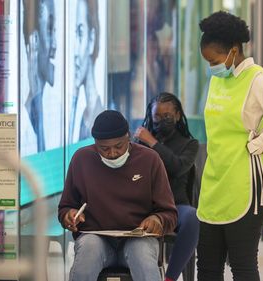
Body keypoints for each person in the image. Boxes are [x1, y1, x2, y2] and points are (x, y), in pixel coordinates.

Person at [197, 11, 263, 281]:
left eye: (215, 60)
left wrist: (259, 144)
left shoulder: (257, 79)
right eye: (207, 61)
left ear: (233, 51)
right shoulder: (217, 79)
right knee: (206, 267)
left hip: (245, 186)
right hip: (214, 182)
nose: (211, 66)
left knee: (242, 267)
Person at [58, 110, 178, 281]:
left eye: (119, 146)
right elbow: (65, 207)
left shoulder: (150, 160)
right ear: (95, 143)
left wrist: (158, 220)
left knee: (142, 254)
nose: (112, 153)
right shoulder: (81, 159)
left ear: (128, 137)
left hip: (138, 238)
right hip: (96, 238)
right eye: (104, 149)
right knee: (88, 251)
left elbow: (170, 214)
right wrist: (68, 216)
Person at [134, 92, 200, 281]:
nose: (161, 121)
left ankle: (169, 278)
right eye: (157, 117)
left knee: (193, 218)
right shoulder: (140, 143)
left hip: (175, 205)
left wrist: (153, 143)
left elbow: (177, 167)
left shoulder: (190, 144)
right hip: (144, 206)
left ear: (178, 115)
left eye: (167, 117)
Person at [22, 0, 57, 152]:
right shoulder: (22, 120)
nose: (55, 44)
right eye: (49, 31)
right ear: (34, 40)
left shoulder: (54, 107)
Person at [69, 0, 104, 142]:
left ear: (91, 39)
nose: (75, 52)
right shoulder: (83, 114)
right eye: (73, 36)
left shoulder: (98, 116)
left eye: (80, 34)